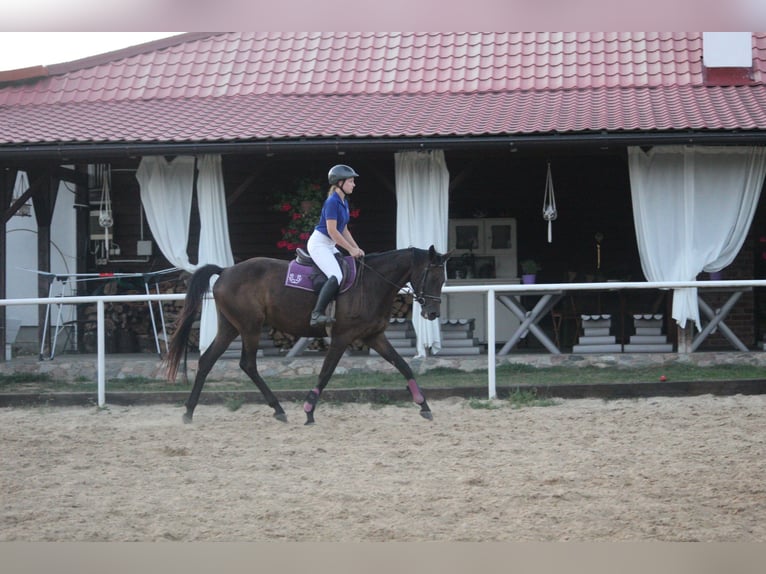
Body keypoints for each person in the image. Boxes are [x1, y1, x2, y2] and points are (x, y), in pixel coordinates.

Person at [306, 164, 365, 326]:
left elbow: (344, 228)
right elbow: (332, 231)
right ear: (340, 183)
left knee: (346, 269)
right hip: (320, 244)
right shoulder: (332, 202)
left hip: (330, 244)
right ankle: (316, 314)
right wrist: (350, 249)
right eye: (351, 181)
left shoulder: (343, 202)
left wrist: (356, 247)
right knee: (337, 276)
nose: (354, 184)